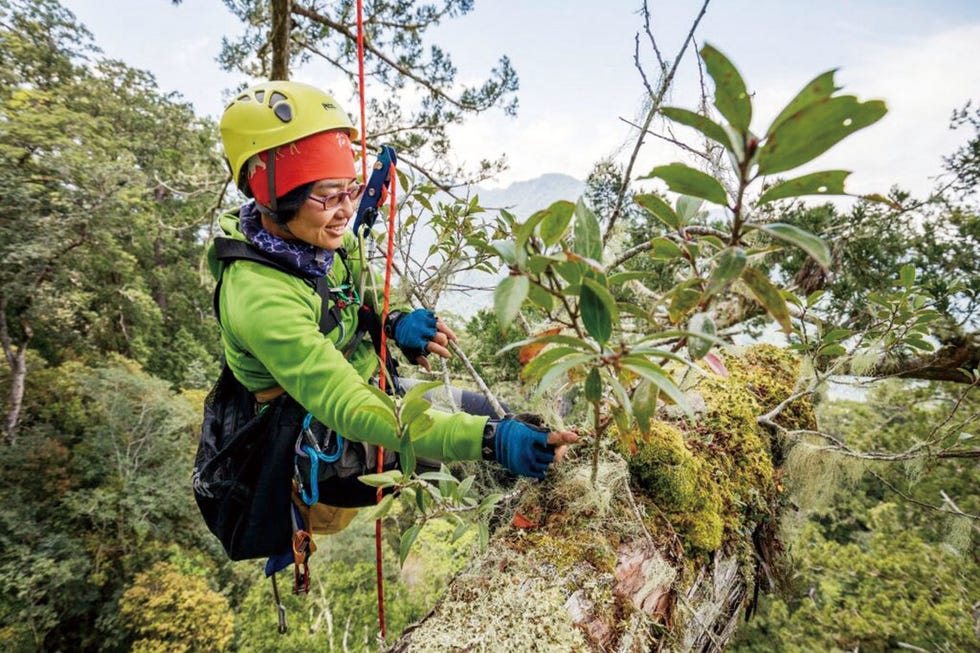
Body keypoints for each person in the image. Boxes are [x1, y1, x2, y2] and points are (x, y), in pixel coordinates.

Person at [211, 80, 577, 518]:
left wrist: (392, 321)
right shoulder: (259, 296)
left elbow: (350, 297)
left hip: (378, 391)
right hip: (334, 444)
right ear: (273, 197)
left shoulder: (315, 242)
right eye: (328, 196)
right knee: (491, 465)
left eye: (351, 189)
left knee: (505, 418)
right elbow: (347, 406)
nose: (346, 210)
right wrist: (488, 441)